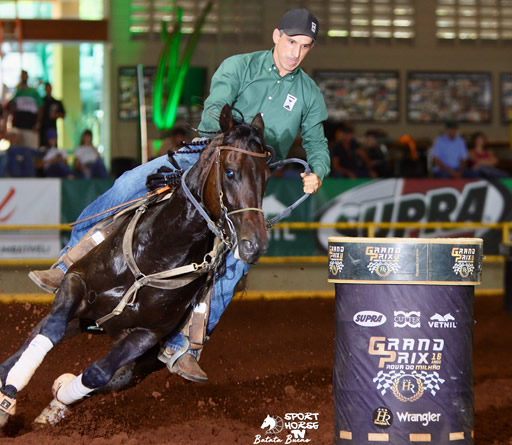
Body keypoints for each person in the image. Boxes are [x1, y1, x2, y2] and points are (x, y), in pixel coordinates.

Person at [28, 8, 329, 384]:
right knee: (128, 184)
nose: (295, 52)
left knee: (241, 257)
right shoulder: (239, 66)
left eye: (305, 46)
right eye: (291, 42)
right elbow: (217, 107)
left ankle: (186, 344)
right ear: (276, 36)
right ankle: (68, 260)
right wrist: (231, 136)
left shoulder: (308, 93)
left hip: (245, 182)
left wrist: (318, 170)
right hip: (204, 155)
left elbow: (317, 141)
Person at [7, 70, 43, 151]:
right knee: (19, 151)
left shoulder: (33, 92)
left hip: (31, 127)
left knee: (31, 151)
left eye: (25, 75)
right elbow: (11, 107)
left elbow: (40, 108)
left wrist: (38, 123)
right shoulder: (17, 92)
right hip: (19, 127)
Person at [38, 82, 66, 148]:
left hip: (52, 128)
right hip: (43, 129)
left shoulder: (56, 102)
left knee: (53, 147)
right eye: (46, 88)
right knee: (42, 147)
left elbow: (63, 115)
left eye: (49, 88)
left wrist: (55, 115)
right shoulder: (41, 101)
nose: (48, 89)